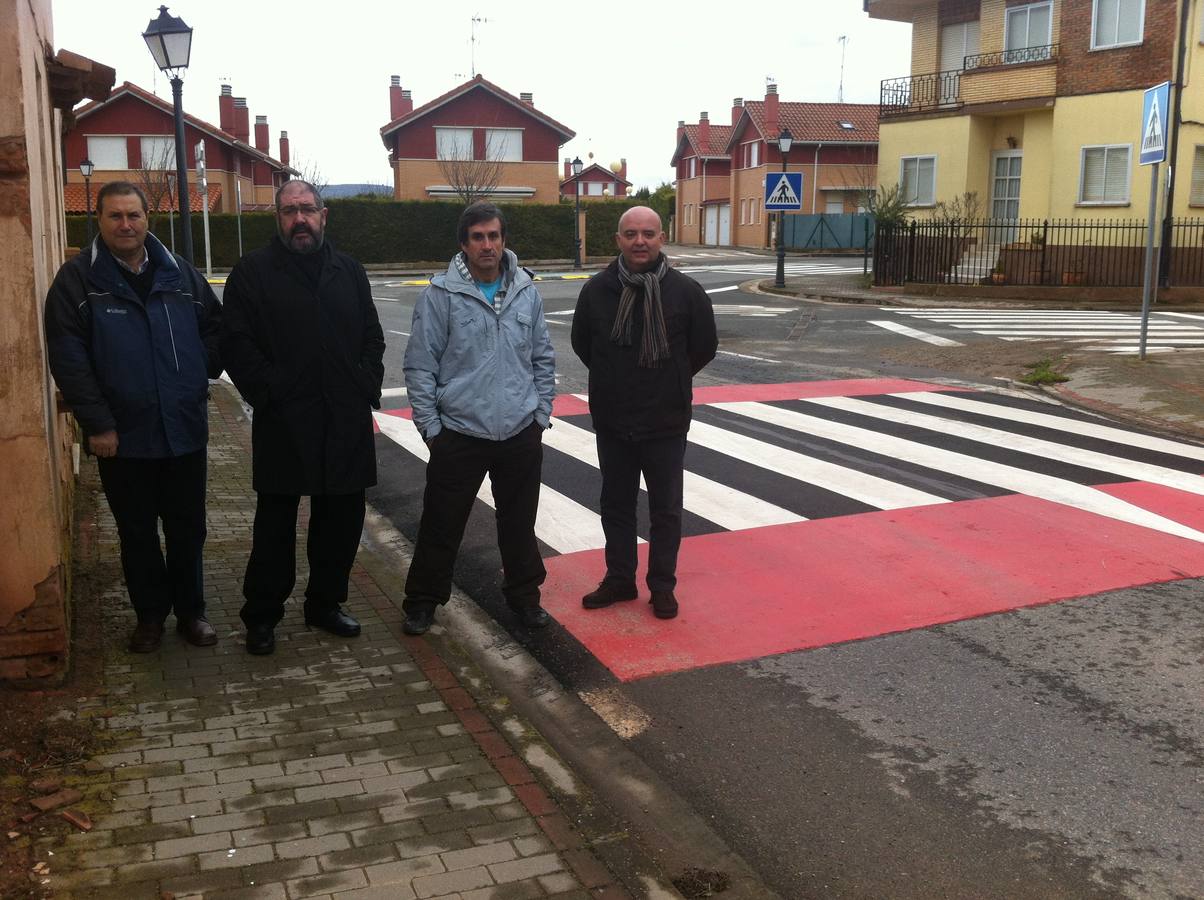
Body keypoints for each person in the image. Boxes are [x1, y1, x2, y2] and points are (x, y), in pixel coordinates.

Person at [44, 181, 222, 653]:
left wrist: (196, 372)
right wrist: (98, 423)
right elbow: (69, 359)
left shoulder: (181, 273)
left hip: (184, 429)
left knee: (188, 529)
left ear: (148, 219)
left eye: (134, 216)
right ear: (99, 221)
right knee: (137, 532)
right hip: (122, 437)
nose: (126, 225)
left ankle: (191, 613)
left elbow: (215, 328)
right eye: (115, 216)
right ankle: (149, 617)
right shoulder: (77, 281)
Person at [221, 180, 385, 655]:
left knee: (341, 520)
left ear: (323, 215)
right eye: (290, 211)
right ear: (278, 217)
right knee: (275, 523)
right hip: (285, 420)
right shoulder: (252, 273)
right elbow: (236, 343)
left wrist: (364, 382)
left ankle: (325, 604)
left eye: (307, 210)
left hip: (343, 417)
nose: (299, 219)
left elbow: (372, 335)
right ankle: (262, 614)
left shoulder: (348, 270)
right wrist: (268, 392)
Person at [401, 201, 556, 635]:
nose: (486, 245)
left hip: (519, 431)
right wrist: (432, 430)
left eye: (493, 236)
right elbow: (419, 364)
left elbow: (543, 357)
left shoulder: (527, 291)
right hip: (460, 433)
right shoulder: (439, 295)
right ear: (463, 243)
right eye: (477, 237)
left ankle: (525, 599)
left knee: (519, 525)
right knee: (441, 523)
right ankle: (422, 601)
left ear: (504, 240)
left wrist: (540, 415)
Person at [570, 206, 717, 620]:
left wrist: (670, 378)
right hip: (613, 420)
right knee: (615, 504)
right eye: (631, 234)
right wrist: (614, 379)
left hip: (665, 421)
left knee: (666, 509)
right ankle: (619, 579)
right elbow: (584, 344)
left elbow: (703, 347)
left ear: (661, 238)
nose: (640, 241)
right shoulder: (597, 290)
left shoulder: (686, 292)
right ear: (618, 240)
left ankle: (662, 586)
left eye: (648, 234)